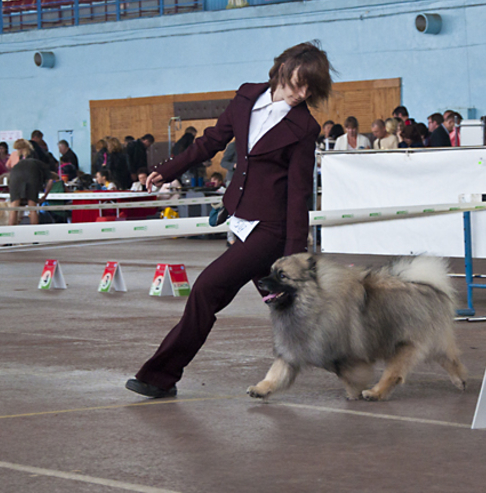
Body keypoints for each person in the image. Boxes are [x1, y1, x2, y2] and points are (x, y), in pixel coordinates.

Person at [126, 41, 332, 399]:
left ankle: (159, 375)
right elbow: (209, 143)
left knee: (206, 290)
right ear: (282, 69)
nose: (302, 94)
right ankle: (358, 353)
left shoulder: (305, 127)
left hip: (270, 230)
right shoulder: (246, 97)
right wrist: (168, 170)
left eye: (310, 88)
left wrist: (295, 255)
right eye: (299, 83)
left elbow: (299, 193)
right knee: (290, 309)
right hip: (239, 220)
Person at [7, 158, 57, 225]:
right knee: (32, 208)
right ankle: (34, 231)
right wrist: (44, 196)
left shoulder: (25, 162)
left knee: (14, 208)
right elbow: (50, 181)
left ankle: (11, 231)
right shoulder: (46, 168)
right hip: (31, 173)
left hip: (15, 174)